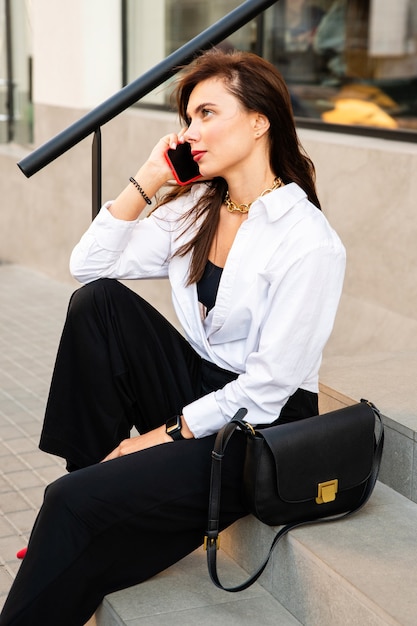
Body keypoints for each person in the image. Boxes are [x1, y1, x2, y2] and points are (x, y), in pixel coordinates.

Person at [0, 48, 345, 626]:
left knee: (69, 504)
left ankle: (82, 503)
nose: (192, 132)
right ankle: (91, 483)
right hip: (203, 384)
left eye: (208, 114)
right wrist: (151, 176)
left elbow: (268, 389)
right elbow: (90, 265)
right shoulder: (196, 207)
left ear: (260, 121)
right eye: (188, 119)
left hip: (262, 430)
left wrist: (158, 436)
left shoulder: (308, 241)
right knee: (99, 305)